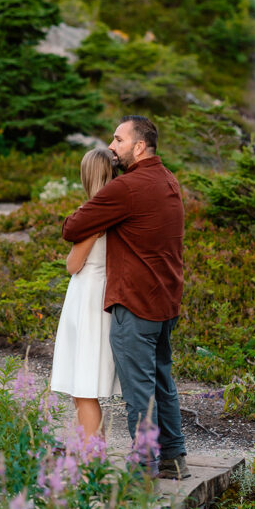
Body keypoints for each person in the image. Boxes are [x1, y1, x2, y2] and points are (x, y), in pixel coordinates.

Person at [62, 115, 189, 479]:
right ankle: (174, 457)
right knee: (162, 381)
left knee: (139, 392)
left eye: (118, 140)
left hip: (135, 304)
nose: (112, 147)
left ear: (138, 146)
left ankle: (145, 469)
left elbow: (71, 228)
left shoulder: (128, 187)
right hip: (165, 301)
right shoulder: (168, 180)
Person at [50, 148, 120, 441]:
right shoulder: (120, 211)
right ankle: (94, 453)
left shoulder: (95, 215)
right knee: (85, 385)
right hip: (103, 296)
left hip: (87, 300)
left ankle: (93, 457)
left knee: (83, 388)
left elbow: (73, 264)